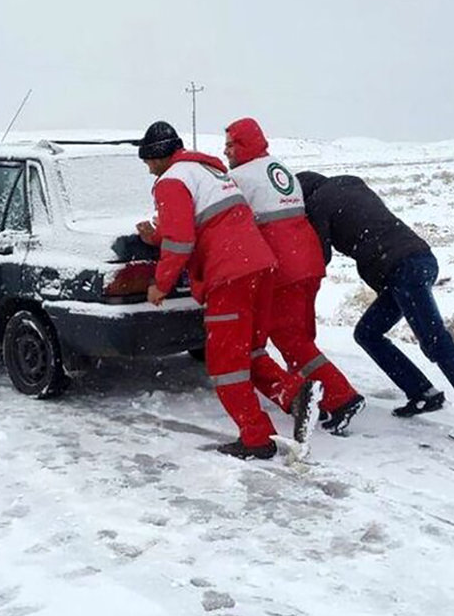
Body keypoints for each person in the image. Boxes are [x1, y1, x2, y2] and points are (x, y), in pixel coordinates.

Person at [137, 121, 319, 460]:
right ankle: (295, 395)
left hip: (229, 275)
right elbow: (206, 221)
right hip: (260, 267)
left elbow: (180, 241)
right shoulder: (209, 172)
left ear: (159, 156)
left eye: (147, 161)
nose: (148, 169)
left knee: (225, 364)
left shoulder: (171, 181)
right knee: (249, 352)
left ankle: (256, 439)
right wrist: (156, 236)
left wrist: (160, 286)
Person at [297, 171, 454, 442]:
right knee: (368, 333)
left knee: (436, 342)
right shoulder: (350, 183)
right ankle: (423, 393)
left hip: (401, 270)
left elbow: (320, 256)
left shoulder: (318, 203)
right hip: (419, 259)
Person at [224, 118, 365, 434]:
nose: (226, 150)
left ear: (244, 144)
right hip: (308, 260)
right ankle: (317, 397)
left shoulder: (240, 177)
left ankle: (341, 399)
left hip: (284, 268)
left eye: (231, 144)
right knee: (301, 336)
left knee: (291, 340)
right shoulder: (278, 168)